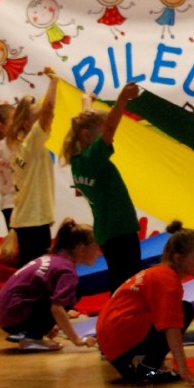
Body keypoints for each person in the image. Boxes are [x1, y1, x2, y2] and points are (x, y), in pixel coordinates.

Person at [96, 220, 194, 386]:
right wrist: (183, 368)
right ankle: (147, 366)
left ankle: (143, 363)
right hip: (121, 342)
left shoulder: (157, 273)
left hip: (114, 345)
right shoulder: (168, 281)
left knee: (175, 310)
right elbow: (172, 328)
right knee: (185, 310)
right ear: (178, 258)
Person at [61, 83, 143, 294]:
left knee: (119, 279)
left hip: (107, 231)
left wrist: (86, 101)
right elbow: (109, 128)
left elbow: (85, 123)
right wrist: (122, 99)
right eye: (102, 132)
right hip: (120, 230)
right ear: (87, 135)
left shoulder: (79, 159)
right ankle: (122, 312)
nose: (110, 137)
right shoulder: (93, 159)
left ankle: (119, 310)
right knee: (127, 283)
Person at [0, 218, 100, 352]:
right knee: (75, 291)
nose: (98, 253)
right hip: (12, 317)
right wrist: (77, 340)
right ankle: (31, 338)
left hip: (4, 314)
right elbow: (57, 308)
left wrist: (46, 326)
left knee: (64, 292)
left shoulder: (52, 259)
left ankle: (30, 333)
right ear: (82, 249)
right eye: (96, 248)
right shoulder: (66, 270)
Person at [7, 67, 59, 266]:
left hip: (28, 218)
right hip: (32, 220)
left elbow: (46, 112)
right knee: (36, 272)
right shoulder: (31, 144)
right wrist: (53, 82)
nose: (40, 103)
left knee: (31, 269)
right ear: (28, 124)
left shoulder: (20, 145)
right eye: (34, 105)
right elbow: (48, 111)